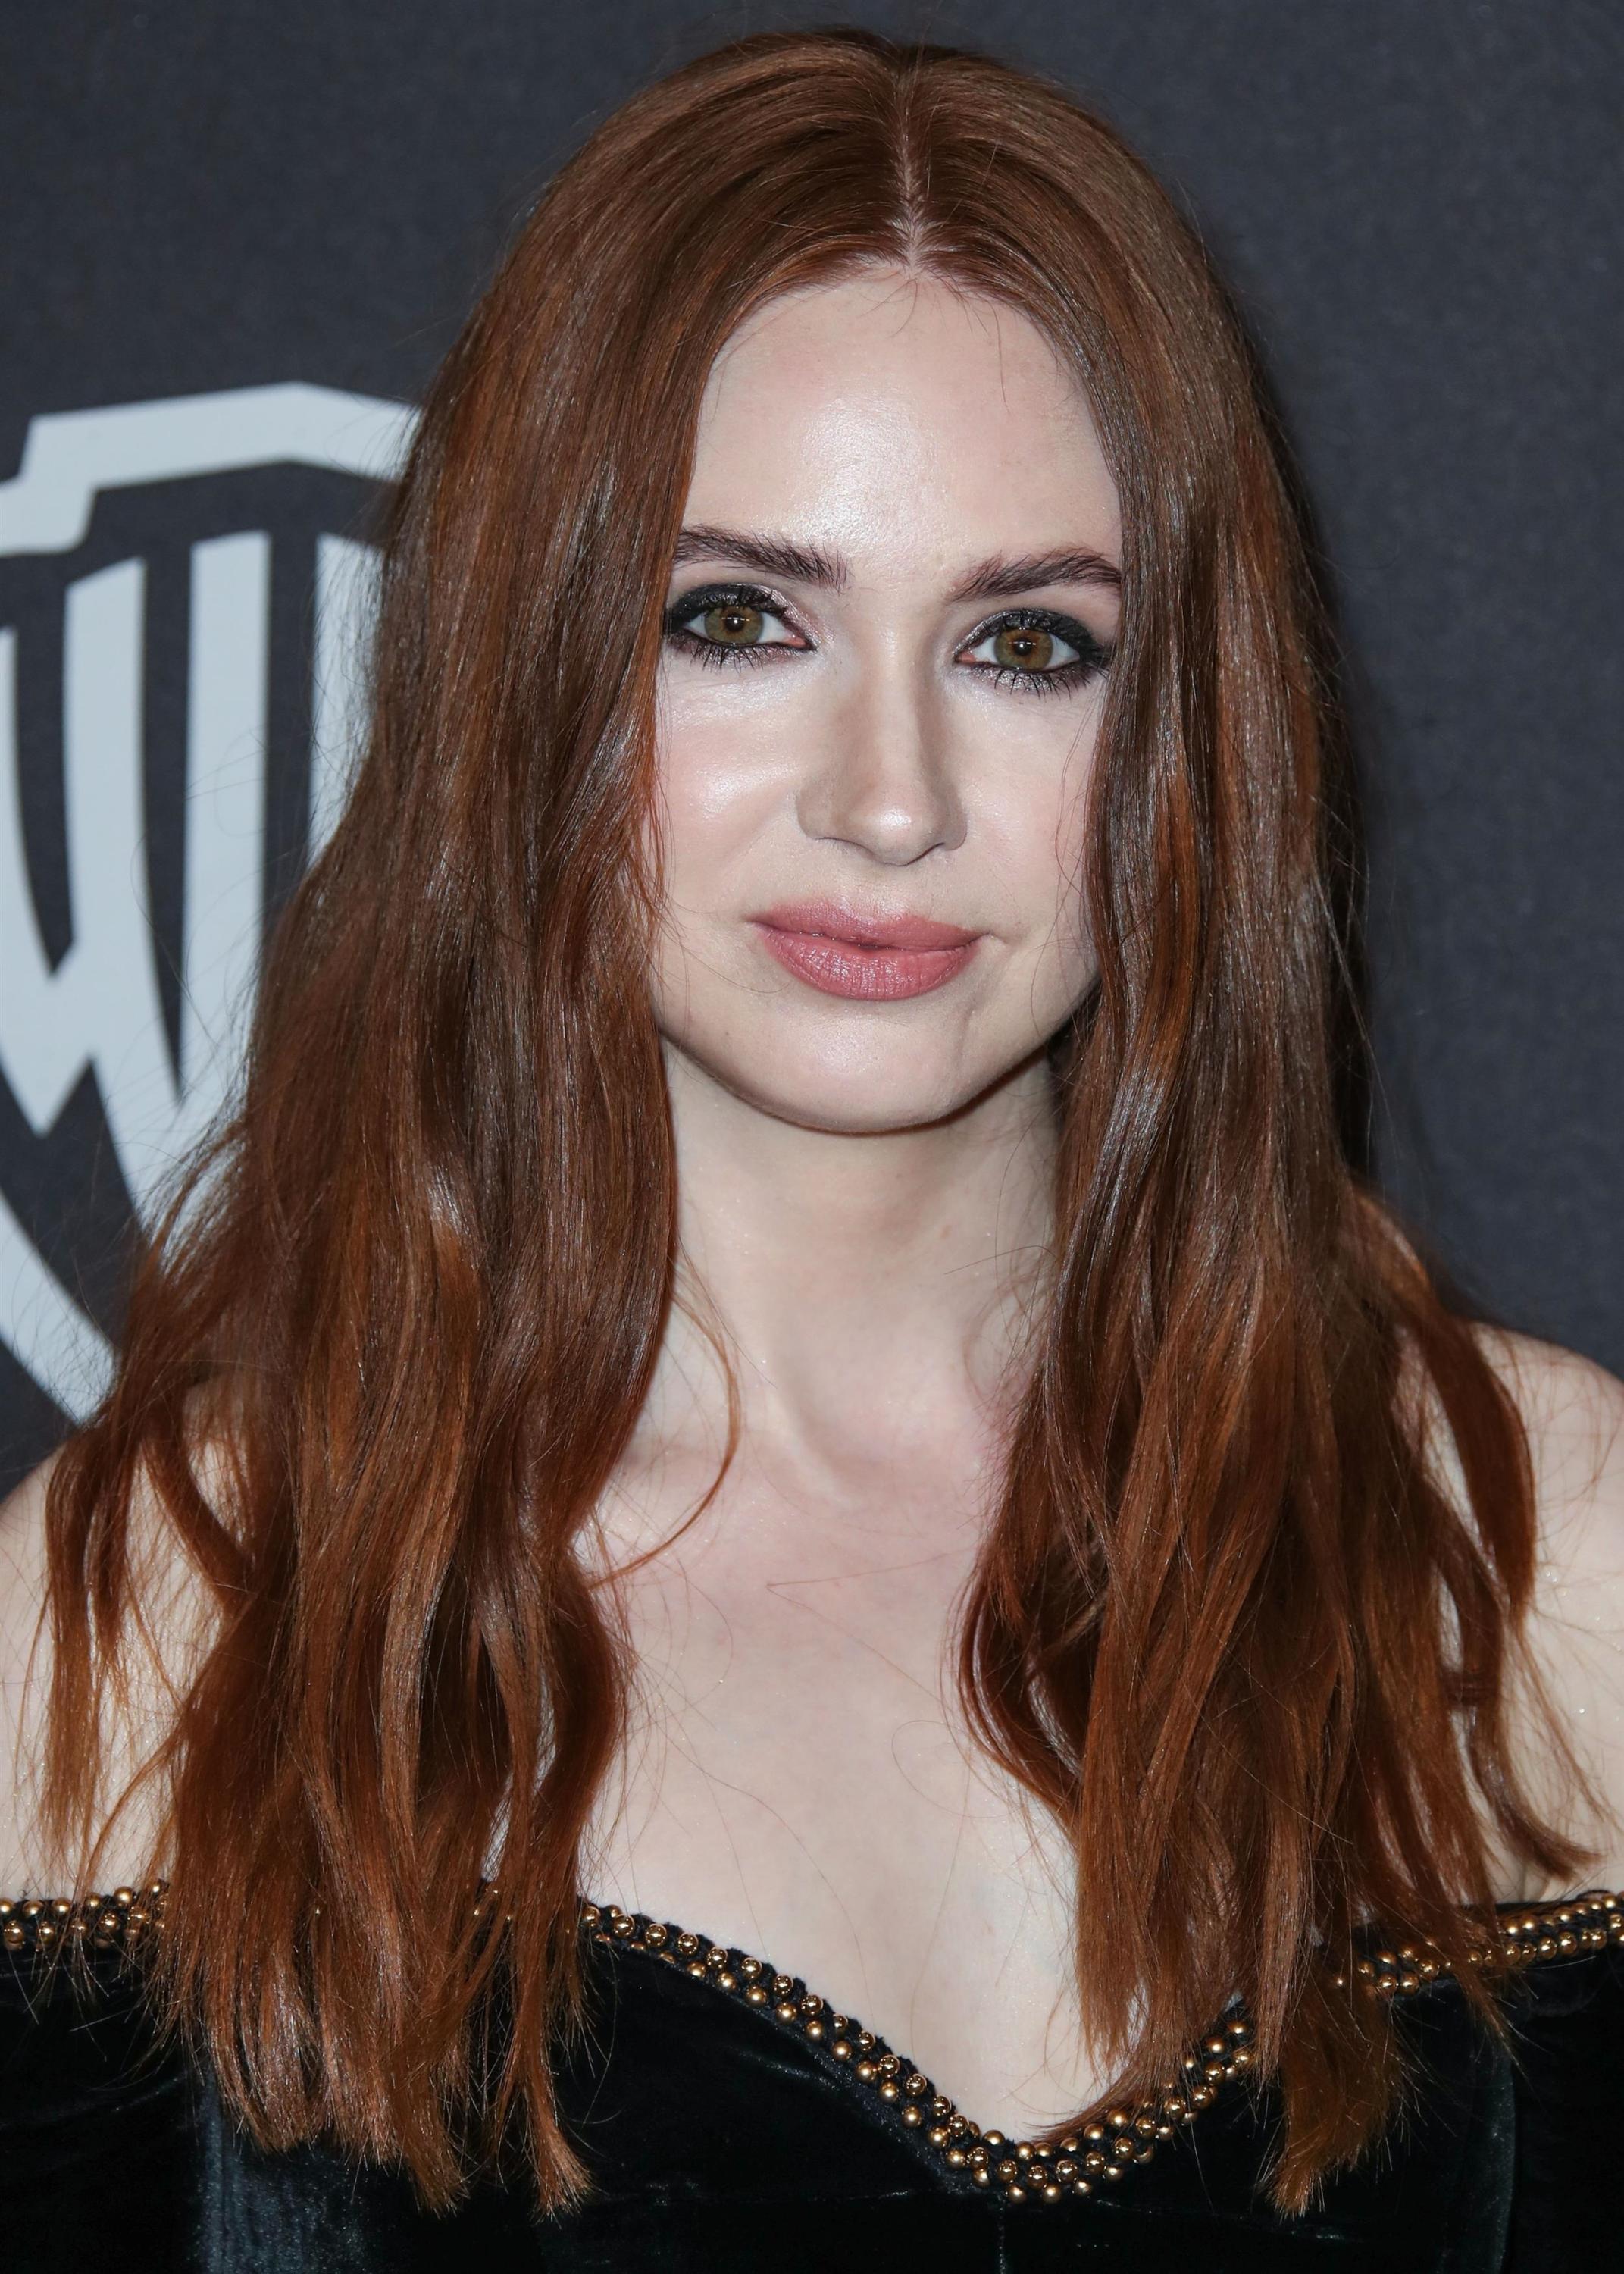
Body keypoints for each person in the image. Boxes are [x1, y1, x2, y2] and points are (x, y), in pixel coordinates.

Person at [2, 26, 1620, 2272]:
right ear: (525, 675)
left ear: (1193, 735)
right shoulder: (154, 1624)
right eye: (737, 621)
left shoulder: (1536, 1557)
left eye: (1031, 645)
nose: (890, 798)